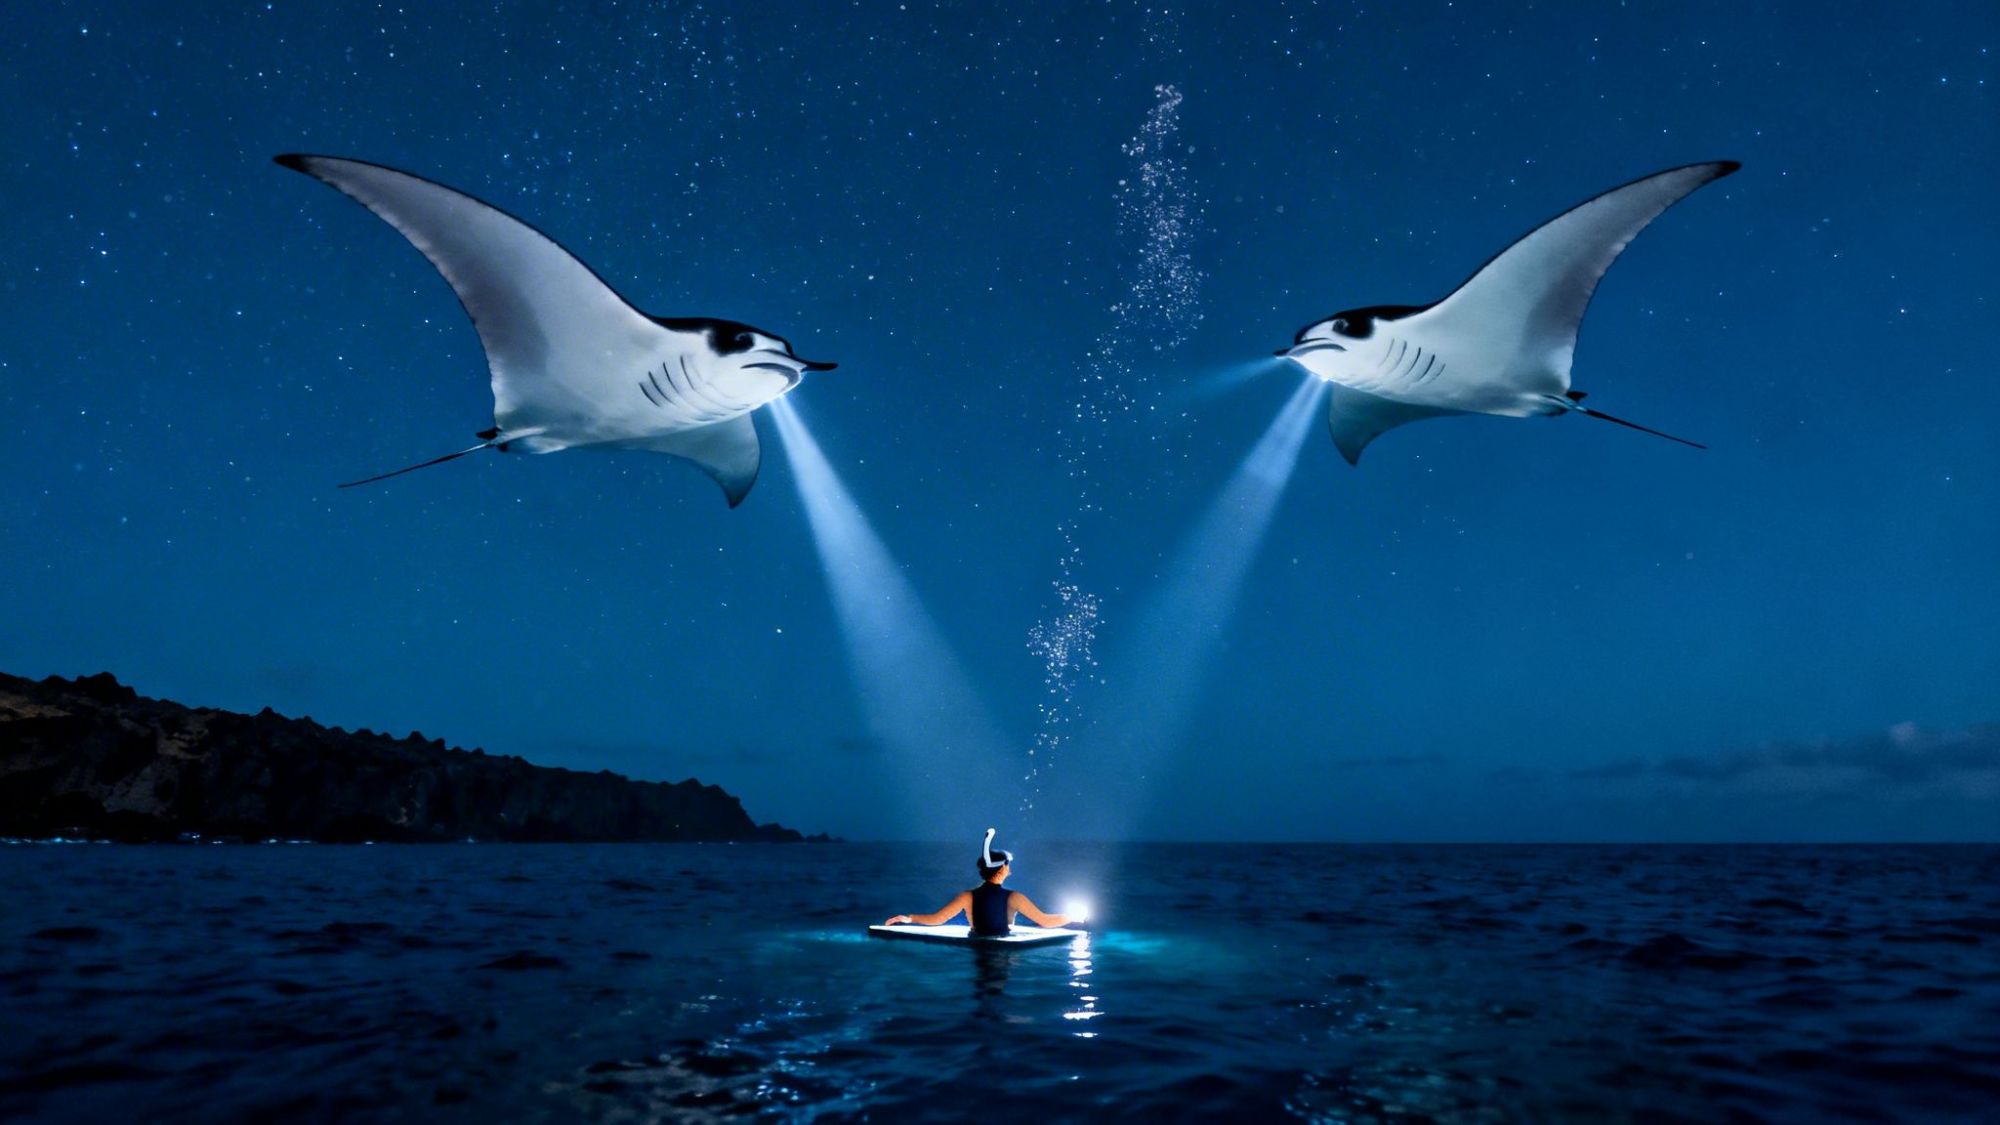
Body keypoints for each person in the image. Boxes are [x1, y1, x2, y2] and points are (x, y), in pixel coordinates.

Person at [884, 829, 1074, 936]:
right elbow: (1046, 922)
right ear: (1001, 869)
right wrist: (1074, 917)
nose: (1009, 867)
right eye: (1008, 864)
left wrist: (909, 918)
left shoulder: (968, 896)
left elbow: (937, 919)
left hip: (977, 949)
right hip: (1002, 950)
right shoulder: (1014, 898)